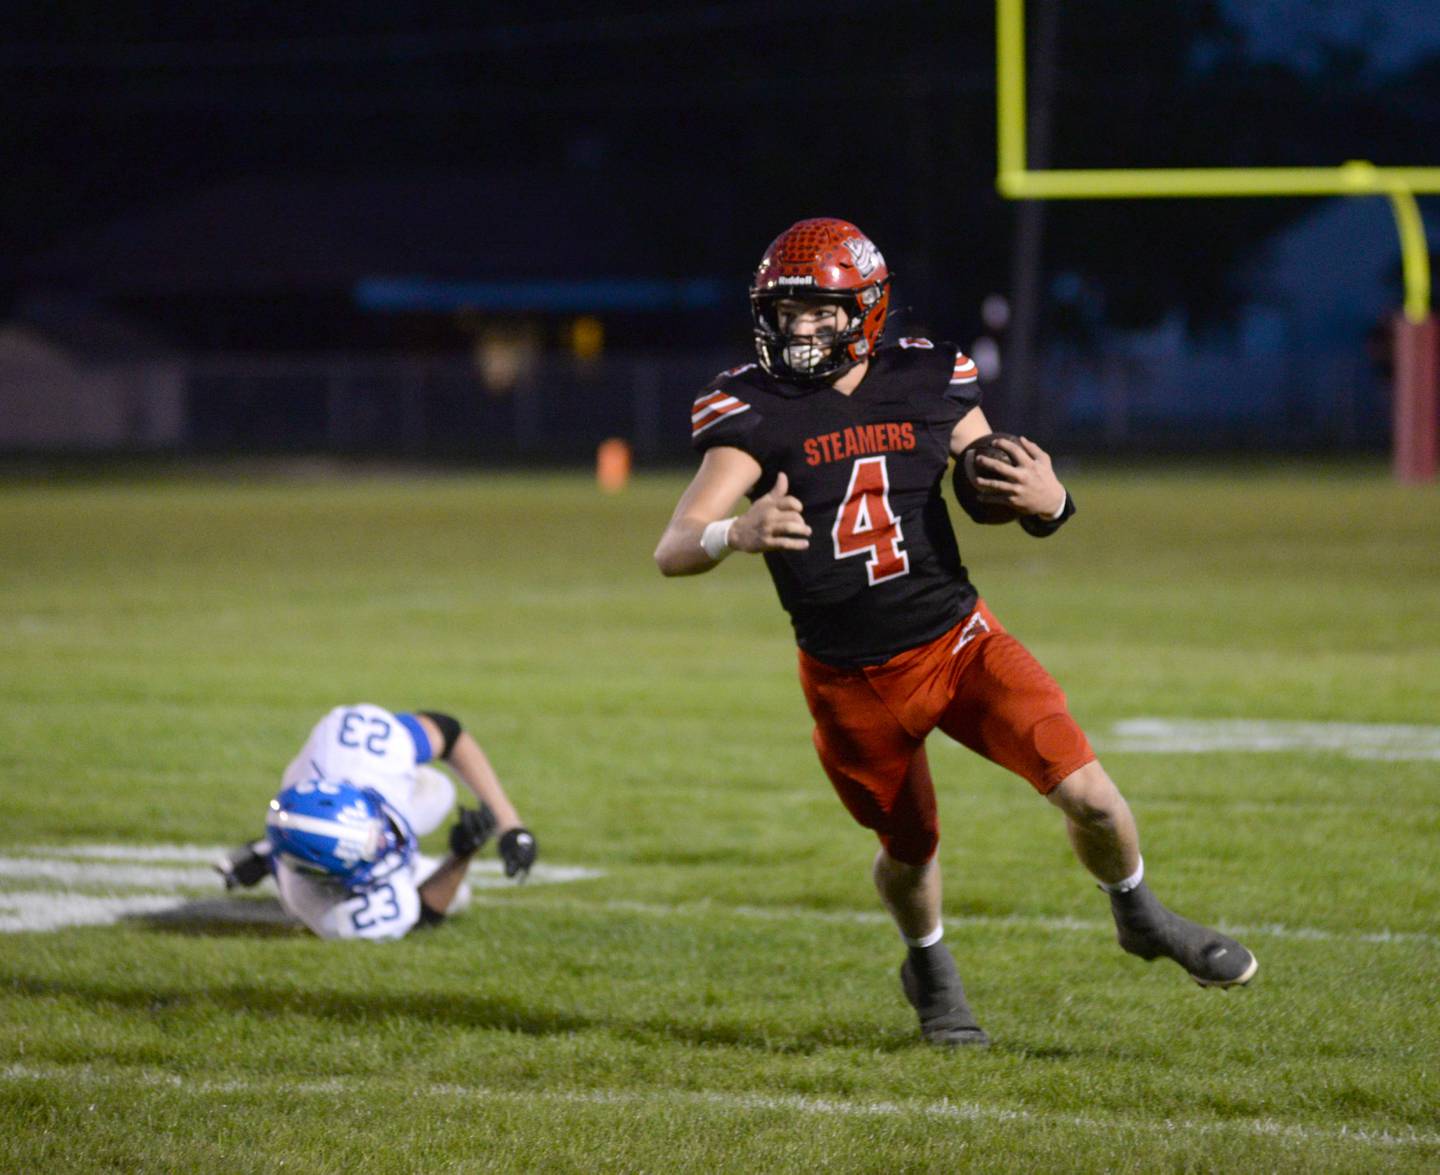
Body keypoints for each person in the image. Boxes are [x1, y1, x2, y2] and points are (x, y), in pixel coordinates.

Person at [653, 218, 1256, 1046]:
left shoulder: (931, 376)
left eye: (819, 312)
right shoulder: (753, 408)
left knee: (1094, 798)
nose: (798, 328)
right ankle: (930, 968)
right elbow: (673, 546)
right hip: (849, 677)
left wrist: (1051, 503)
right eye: (786, 311)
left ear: (864, 311)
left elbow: (993, 475)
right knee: (911, 847)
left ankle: (1140, 912)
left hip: (959, 640)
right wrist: (736, 533)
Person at [214, 703, 538, 940]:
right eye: (372, 846)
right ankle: (269, 857)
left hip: (363, 793)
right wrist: (462, 855)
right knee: (460, 895)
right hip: (320, 870)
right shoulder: (314, 900)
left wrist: (510, 825)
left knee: (438, 792)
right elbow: (420, 916)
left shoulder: (354, 748)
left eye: (375, 833)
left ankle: (268, 847)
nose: (385, 841)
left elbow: (448, 733)